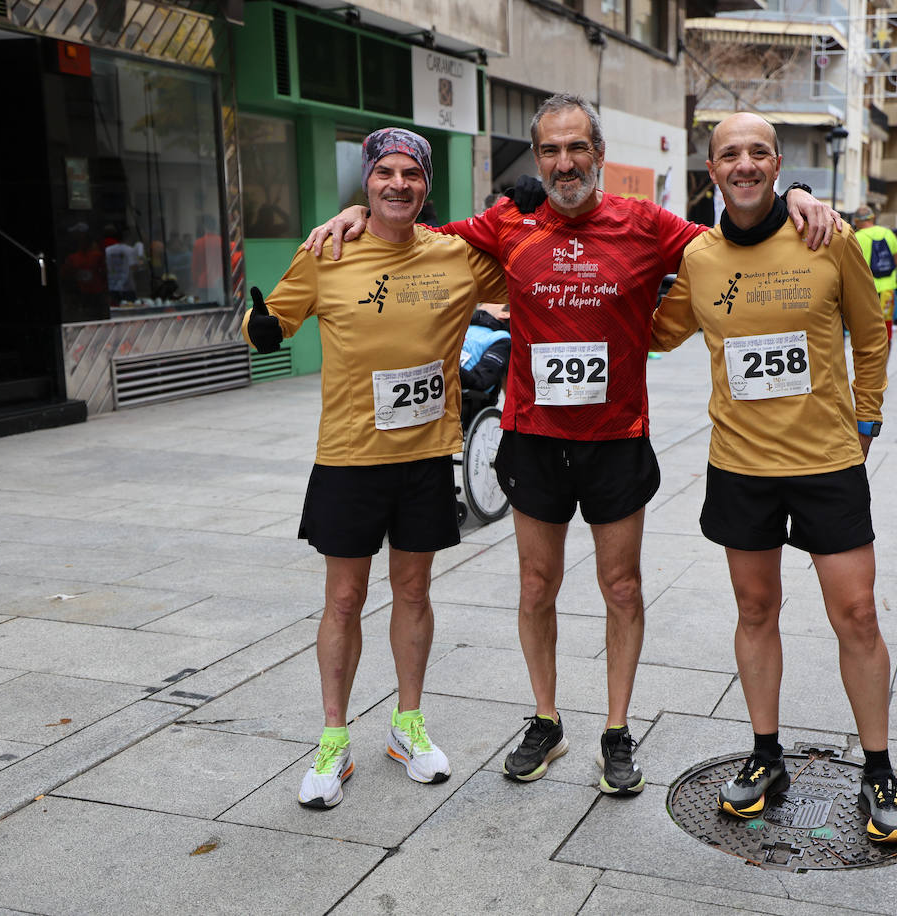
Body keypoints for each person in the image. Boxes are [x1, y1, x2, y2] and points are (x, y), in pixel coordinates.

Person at [304, 93, 844, 797]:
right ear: (538, 159)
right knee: (537, 586)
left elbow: (736, 235)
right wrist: (355, 212)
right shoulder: (507, 222)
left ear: (599, 153)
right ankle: (546, 719)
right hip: (533, 437)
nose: (565, 163)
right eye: (551, 151)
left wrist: (796, 193)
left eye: (577, 148)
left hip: (617, 439)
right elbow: (414, 231)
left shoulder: (645, 223)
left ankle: (617, 731)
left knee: (621, 587)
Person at [649, 112, 897, 843]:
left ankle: (878, 768)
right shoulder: (699, 259)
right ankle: (766, 756)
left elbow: (870, 331)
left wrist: (868, 421)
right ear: (712, 170)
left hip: (827, 461)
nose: (743, 163)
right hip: (739, 466)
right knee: (755, 609)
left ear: (777, 163)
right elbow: (655, 332)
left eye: (757, 152)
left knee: (856, 614)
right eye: (729, 153)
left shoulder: (827, 238)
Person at [245, 128, 509, 809]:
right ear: (366, 183)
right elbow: (273, 320)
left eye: (412, 175)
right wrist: (261, 329)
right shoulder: (328, 250)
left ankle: (407, 726)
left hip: (424, 456)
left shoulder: (455, 256)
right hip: (349, 456)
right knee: (343, 598)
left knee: (415, 593)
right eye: (385, 174)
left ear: (426, 186)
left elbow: (526, 257)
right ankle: (334, 740)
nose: (399, 184)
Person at [853, 206, 897, 344]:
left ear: (856, 221)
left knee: (866, 333)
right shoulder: (888, 233)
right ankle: (884, 365)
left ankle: (869, 364)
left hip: (865, 292)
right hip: (887, 289)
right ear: (873, 218)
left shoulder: (856, 237)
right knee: (886, 332)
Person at [460, 302, 511, 395]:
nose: (484, 300)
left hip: (464, 397)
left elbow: (481, 380)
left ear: (505, 314)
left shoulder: (501, 338)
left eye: (494, 300)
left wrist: (449, 368)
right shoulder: (463, 326)